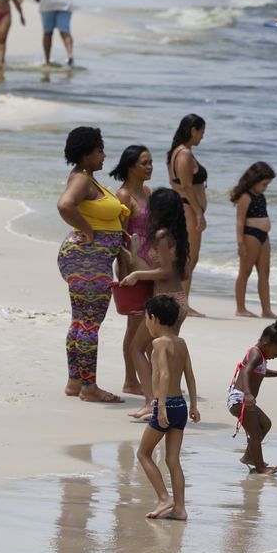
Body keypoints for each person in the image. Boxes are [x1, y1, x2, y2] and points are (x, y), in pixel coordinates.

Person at [57, 127, 130, 403]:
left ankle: (75, 381)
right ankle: (89, 387)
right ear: (86, 154)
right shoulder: (81, 180)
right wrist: (87, 230)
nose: (104, 155)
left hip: (86, 259)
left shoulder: (86, 178)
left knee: (80, 321)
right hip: (87, 259)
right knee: (89, 324)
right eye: (99, 150)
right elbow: (65, 205)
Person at [118, 187, 190, 418]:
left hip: (163, 303)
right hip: (180, 300)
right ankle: (165, 404)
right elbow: (183, 273)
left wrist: (138, 275)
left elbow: (165, 270)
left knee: (136, 348)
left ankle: (151, 403)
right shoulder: (179, 235)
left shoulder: (161, 235)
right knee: (163, 355)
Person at [134, 295, 198, 520]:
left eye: (146, 319)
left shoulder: (159, 343)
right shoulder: (181, 343)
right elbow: (189, 375)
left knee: (143, 453)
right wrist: (194, 405)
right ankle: (180, 509)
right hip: (180, 406)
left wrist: (159, 407)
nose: (146, 323)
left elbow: (163, 373)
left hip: (167, 406)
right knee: (173, 460)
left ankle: (164, 498)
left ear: (154, 318)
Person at [110, 146, 155, 398]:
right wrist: (125, 271)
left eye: (151, 162)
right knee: (135, 326)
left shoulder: (147, 192)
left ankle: (147, 375)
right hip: (133, 266)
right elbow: (120, 238)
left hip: (150, 265)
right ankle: (130, 380)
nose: (149, 167)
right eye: (144, 163)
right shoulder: (123, 196)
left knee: (150, 323)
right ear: (131, 166)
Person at [226, 320, 277, 474]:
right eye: (275, 353)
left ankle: (249, 456)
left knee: (265, 424)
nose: (275, 356)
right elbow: (247, 371)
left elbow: (260, 371)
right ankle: (260, 467)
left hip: (243, 399)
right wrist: (248, 394)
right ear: (266, 342)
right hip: (240, 398)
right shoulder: (255, 353)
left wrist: (275, 373)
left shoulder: (261, 357)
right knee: (255, 433)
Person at [167, 114, 208, 315]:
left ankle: (179, 300)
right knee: (189, 258)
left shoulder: (180, 152)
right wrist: (199, 213)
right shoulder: (183, 154)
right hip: (187, 209)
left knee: (188, 257)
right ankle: (182, 303)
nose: (202, 137)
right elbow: (186, 186)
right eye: (201, 132)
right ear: (193, 130)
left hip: (186, 208)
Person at [231, 161, 277, 318]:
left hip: (264, 237)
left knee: (264, 272)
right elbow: (239, 221)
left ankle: (266, 310)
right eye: (264, 184)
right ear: (255, 180)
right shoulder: (245, 196)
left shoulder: (260, 196)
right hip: (250, 235)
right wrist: (240, 243)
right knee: (245, 271)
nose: (266, 187)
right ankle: (240, 308)